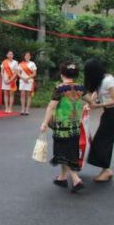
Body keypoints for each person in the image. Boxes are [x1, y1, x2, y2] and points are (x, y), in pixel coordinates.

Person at [40, 62, 92, 193]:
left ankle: (76, 180)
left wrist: (44, 123)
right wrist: (87, 105)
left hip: (62, 127)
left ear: (62, 74)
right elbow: (91, 101)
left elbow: (51, 107)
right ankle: (62, 178)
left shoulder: (60, 88)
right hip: (75, 127)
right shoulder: (80, 87)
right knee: (67, 153)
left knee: (63, 154)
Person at [84, 58, 114, 183]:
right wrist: (90, 103)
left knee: (103, 142)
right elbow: (96, 93)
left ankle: (106, 171)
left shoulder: (108, 80)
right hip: (108, 113)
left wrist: (97, 105)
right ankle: (106, 170)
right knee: (101, 141)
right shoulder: (101, 80)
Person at [18, 52, 37, 116]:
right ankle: (22, 109)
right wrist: (23, 78)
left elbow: (34, 73)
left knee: (28, 95)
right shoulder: (21, 64)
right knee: (22, 95)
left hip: (29, 81)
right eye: (26, 55)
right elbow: (18, 73)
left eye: (28, 55)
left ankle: (27, 110)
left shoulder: (32, 64)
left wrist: (27, 78)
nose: (27, 56)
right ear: (24, 56)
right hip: (22, 80)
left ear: (30, 56)